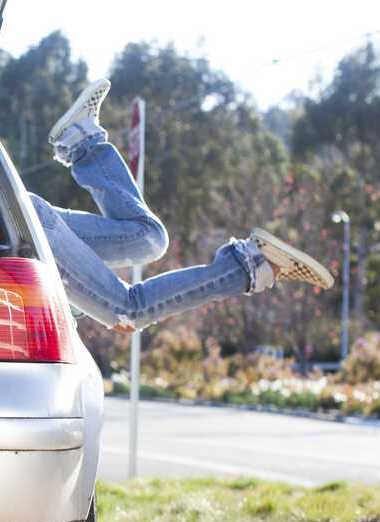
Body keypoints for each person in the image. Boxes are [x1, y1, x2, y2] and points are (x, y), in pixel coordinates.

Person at [34, 78, 333, 333]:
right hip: (25, 214)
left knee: (130, 310)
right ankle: (82, 139)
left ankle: (248, 265)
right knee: (149, 238)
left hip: (19, 233)